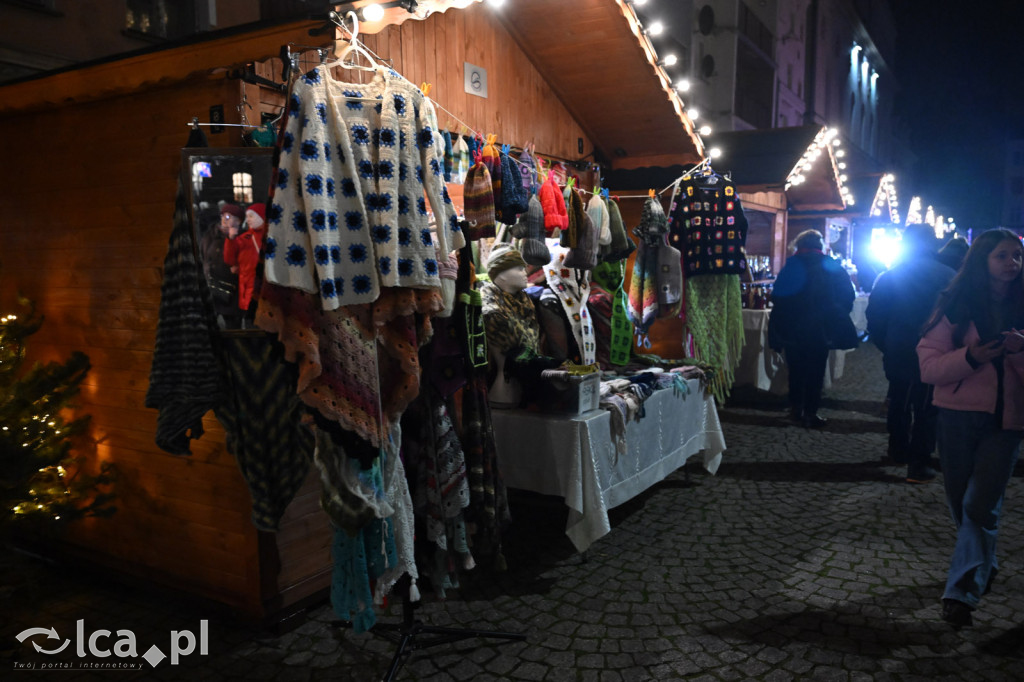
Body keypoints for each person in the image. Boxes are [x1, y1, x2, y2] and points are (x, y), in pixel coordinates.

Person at [917, 228, 1024, 628]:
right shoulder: (955, 305)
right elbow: (929, 368)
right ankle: (984, 561)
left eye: (1017, 255)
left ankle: (960, 593)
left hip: (1006, 421)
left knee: (980, 506)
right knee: (962, 503)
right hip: (957, 416)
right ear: (982, 260)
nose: (1012, 263)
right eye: (1002, 256)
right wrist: (972, 357)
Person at [866, 224, 955, 482]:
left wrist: (887, 344)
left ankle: (898, 448)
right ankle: (919, 462)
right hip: (935, 351)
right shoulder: (949, 276)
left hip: (900, 349)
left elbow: (875, 317)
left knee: (900, 402)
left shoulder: (891, 275)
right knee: (928, 407)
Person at [768, 229, 856, 428]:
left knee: (796, 370)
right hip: (820, 327)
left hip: (793, 328)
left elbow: (777, 297)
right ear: (820, 245)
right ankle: (810, 412)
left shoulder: (791, 266)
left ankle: (796, 408)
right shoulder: (830, 265)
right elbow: (847, 294)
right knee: (816, 370)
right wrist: (836, 314)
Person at [223, 202, 266, 324]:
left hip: (266, 289)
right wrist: (230, 240)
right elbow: (229, 260)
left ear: (261, 216)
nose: (248, 220)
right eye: (247, 217)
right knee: (251, 322)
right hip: (249, 290)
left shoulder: (271, 237)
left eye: (251, 216)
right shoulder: (243, 239)